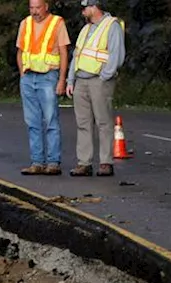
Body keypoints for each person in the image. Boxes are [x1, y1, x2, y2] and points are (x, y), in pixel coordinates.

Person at [66, 0, 126, 176]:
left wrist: (104, 76)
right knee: (83, 123)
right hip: (81, 80)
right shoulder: (85, 29)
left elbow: (117, 55)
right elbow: (77, 56)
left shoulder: (111, 25)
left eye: (84, 8)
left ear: (94, 7)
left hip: (99, 81)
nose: (82, 11)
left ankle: (105, 162)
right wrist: (71, 80)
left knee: (103, 122)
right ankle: (84, 163)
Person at [15, 0, 70, 176]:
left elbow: (63, 52)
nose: (34, 11)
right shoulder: (25, 23)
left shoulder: (57, 23)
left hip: (48, 77)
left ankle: (53, 162)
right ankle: (37, 162)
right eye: (31, 7)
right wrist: (22, 74)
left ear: (46, 6)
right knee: (32, 122)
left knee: (51, 121)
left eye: (38, 7)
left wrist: (62, 80)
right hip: (29, 76)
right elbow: (20, 51)